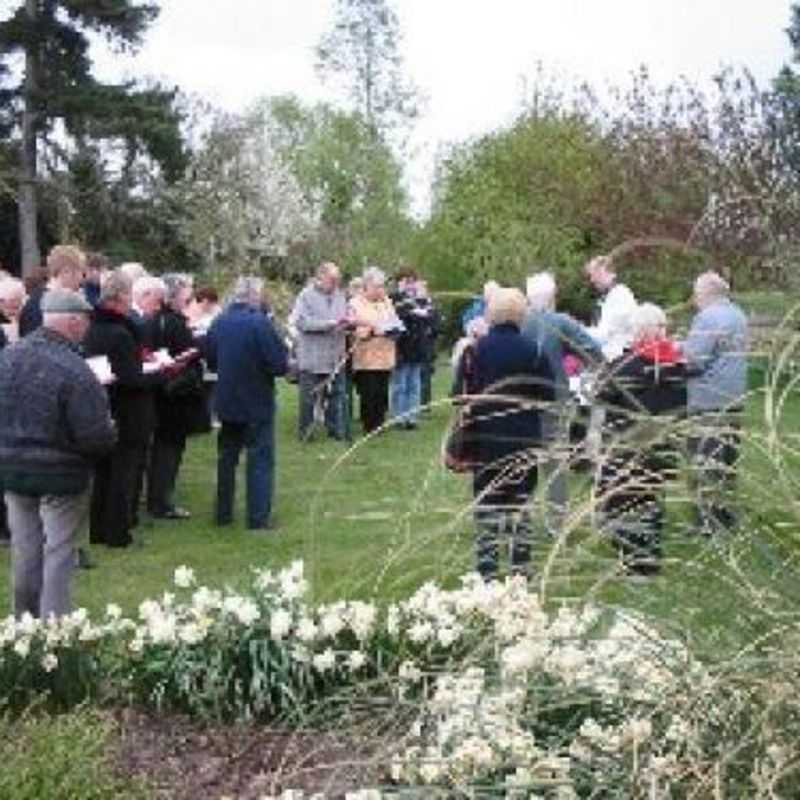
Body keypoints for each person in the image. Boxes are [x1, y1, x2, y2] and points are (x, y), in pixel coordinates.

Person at [0, 289, 116, 617]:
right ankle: (55, 632)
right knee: (59, 551)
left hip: (11, 469)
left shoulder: (7, 356)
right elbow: (96, 437)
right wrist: (111, 431)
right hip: (60, 475)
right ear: (74, 322)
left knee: (25, 550)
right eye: (85, 322)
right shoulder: (75, 369)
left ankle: (24, 625)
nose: (87, 328)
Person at [464, 287, 554, 580]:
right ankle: (520, 568)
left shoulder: (477, 349)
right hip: (523, 437)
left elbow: (463, 393)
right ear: (521, 314)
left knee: (487, 504)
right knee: (519, 502)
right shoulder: (534, 350)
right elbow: (547, 394)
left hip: (485, 437)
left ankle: (487, 569)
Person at [596, 303, 687, 578]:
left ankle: (634, 560)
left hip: (627, 445)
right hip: (661, 444)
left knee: (625, 502)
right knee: (651, 498)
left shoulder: (625, 366)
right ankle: (649, 559)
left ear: (638, 331)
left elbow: (601, 394)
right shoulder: (676, 366)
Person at [83, 270, 165, 547]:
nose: (131, 302)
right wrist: (160, 373)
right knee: (122, 473)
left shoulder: (93, 327)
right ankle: (118, 534)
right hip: (128, 409)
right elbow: (131, 378)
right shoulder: (120, 333)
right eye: (128, 296)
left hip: (101, 405)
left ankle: (98, 529)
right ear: (118, 298)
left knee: (104, 472)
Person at [522, 272, 603, 534]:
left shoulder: (517, 320)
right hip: (552, 396)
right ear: (553, 295)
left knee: (520, 458)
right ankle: (557, 522)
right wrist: (578, 365)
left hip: (516, 397)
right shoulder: (560, 322)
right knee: (554, 461)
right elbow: (592, 348)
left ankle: (519, 515)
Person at [205, 276, 288, 531]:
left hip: (227, 399)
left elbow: (210, 359)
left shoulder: (219, 322)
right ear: (254, 296)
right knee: (260, 459)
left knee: (227, 458)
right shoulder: (259, 323)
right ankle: (258, 518)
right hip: (256, 400)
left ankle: (223, 513)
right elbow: (279, 365)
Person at [682, 271, 748, 535]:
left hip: (708, 399)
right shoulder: (738, 314)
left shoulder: (707, 317)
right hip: (734, 397)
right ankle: (726, 515)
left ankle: (707, 522)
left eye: (696, 293)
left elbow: (694, 360)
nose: (694, 299)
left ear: (705, 294)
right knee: (727, 461)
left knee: (705, 460)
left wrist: (674, 353)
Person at [146, 273, 208, 520]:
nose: (190, 295)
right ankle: (161, 501)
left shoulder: (156, 321)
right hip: (174, 394)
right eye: (186, 291)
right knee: (168, 450)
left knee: (164, 448)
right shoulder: (171, 322)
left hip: (162, 392)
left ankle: (158, 497)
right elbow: (183, 352)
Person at [290, 262, 349, 441]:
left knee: (337, 396)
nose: (336, 282)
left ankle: (336, 431)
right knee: (309, 398)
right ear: (321, 277)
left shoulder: (340, 295)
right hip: (312, 356)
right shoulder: (305, 296)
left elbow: (345, 317)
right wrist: (328, 324)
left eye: (338, 279)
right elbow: (301, 322)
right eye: (332, 279)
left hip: (335, 355)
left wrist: (348, 324)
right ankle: (306, 433)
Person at [350, 267, 401, 435]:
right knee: (369, 392)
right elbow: (354, 329)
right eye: (377, 286)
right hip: (367, 357)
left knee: (382, 392)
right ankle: (369, 425)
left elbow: (393, 321)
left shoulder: (387, 302)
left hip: (385, 355)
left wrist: (391, 329)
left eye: (382, 286)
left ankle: (379, 423)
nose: (381, 290)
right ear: (367, 286)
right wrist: (372, 330)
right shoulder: (355, 303)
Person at [390, 268, 434, 429]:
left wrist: (423, 300)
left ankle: (412, 417)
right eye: (405, 281)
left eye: (412, 281)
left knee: (414, 384)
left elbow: (431, 318)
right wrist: (403, 297)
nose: (410, 285)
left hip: (418, 348)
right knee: (400, 385)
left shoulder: (422, 300)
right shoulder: (394, 299)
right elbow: (399, 314)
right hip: (401, 347)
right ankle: (399, 417)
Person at [19, 245, 87, 337]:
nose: (82, 279)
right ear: (66, 272)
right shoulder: (38, 304)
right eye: (81, 272)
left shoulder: (39, 300)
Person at [584, 255, 638, 361]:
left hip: (617, 356)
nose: (593, 279)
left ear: (611, 273)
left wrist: (578, 331)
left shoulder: (620, 296)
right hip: (610, 353)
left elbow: (604, 335)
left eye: (597, 274)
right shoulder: (609, 296)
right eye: (591, 275)